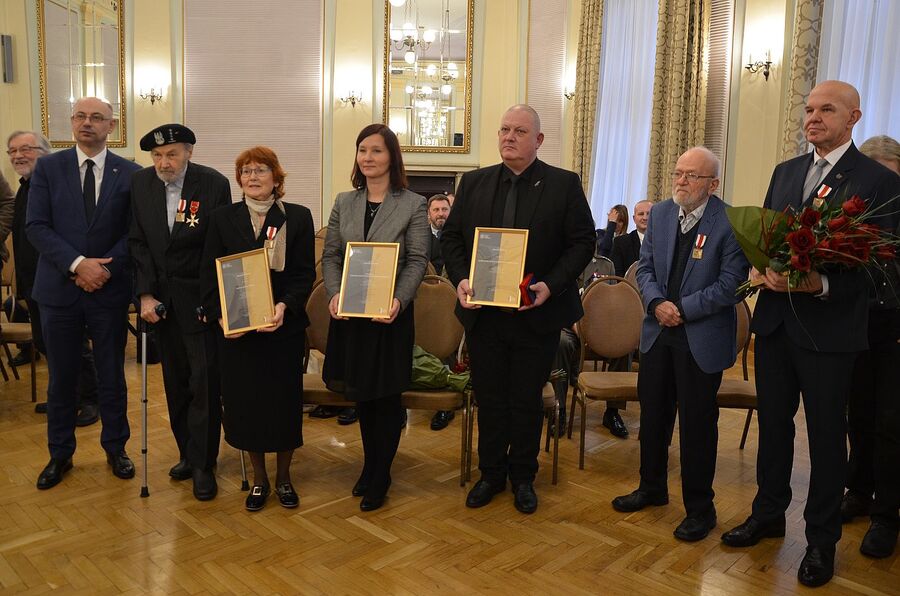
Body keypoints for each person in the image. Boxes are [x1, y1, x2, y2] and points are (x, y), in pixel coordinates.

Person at [721, 81, 900, 587]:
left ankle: (821, 541)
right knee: (774, 428)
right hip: (776, 326)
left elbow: (883, 272)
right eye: (808, 109)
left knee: (825, 442)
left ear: (853, 118)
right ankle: (768, 513)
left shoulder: (877, 182)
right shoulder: (786, 172)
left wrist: (819, 281)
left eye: (827, 110)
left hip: (831, 334)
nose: (813, 118)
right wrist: (762, 270)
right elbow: (769, 239)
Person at [441, 104, 595, 514]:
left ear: (539, 140)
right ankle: (491, 473)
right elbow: (451, 239)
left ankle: (523, 476)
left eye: (520, 131)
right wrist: (460, 280)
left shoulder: (563, 184)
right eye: (504, 129)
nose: (509, 136)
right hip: (484, 314)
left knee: (526, 399)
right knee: (490, 397)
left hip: (536, 314)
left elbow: (583, 243)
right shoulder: (473, 182)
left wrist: (552, 284)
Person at [611, 147, 749, 542]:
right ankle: (651, 488)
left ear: (713, 183)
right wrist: (656, 303)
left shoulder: (730, 222)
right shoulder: (660, 214)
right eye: (678, 173)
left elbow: (730, 286)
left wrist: (682, 310)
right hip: (657, 333)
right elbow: (647, 266)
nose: (682, 181)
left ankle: (700, 511)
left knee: (697, 427)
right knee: (653, 418)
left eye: (692, 175)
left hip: (699, 337)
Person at [25, 97, 141, 489]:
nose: (86, 123)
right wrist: (78, 265)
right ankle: (60, 454)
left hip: (108, 291)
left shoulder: (131, 173)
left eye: (96, 118)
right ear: (71, 123)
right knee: (62, 378)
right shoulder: (48, 168)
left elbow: (136, 234)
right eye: (80, 116)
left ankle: (115, 448)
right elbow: (36, 226)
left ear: (112, 126)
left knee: (111, 376)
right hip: (59, 290)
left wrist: (102, 269)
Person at [201, 146, 315, 511]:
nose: (252, 176)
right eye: (245, 171)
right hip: (238, 332)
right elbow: (209, 272)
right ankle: (259, 480)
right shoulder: (222, 218)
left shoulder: (296, 217)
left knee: (282, 405)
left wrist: (285, 306)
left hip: (282, 328)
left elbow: (303, 274)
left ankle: (283, 478)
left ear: (276, 178)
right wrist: (222, 320)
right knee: (244, 405)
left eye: (260, 170)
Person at [322, 123, 429, 512]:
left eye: (376, 151)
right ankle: (370, 465)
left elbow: (418, 259)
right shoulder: (343, 202)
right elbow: (331, 255)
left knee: (385, 399)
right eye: (362, 150)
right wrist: (333, 293)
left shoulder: (413, 204)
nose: (368, 157)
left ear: (392, 157)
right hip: (351, 315)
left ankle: (381, 473)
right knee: (362, 398)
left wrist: (398, 300)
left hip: (389, 317)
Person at [129, 124, 231, 501]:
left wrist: (212, 300)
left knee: (204, 384)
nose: (163, 162)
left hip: (200, 301)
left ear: (188, 151)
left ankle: (205, 465)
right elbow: (137, 243)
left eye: (171, 154)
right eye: (157, 156)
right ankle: (187, 453)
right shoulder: (141, 185)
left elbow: (215, 247)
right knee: (175, 383)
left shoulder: (213, 184)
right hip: (160, 305)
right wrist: (143, 294)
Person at [7, 130, 100, 423]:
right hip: (34, 282)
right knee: (48, 344)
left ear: (45, 153)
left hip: (59, 279)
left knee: (74, 345)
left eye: (26, 149)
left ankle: (89, 400)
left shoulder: (54, 186)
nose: (18, 156)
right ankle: (66, 396)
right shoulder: (25, 186)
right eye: (12, 151)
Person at [841, 134, 900, 558]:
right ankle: (858, 490)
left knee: (890, 423)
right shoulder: (857, 212)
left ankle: (886, 513)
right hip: (858, 329)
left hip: (896, 332)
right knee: (856, 414)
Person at [426, 193, 456, 432]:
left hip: (450, 302)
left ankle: (444, 404)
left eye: (444, 210)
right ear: (429, 214)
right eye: (436, 210)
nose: (440, 214)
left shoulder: (458, 238)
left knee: (447, 346)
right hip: (422, 302)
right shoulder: (418, 238)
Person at [611, 200, 652, 277]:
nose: (645, 218)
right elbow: (618, 276)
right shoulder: (621, 242)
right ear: (634, 218)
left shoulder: (665, 242)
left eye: (649, 214)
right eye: (641, 214)